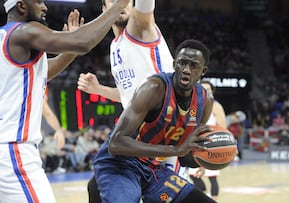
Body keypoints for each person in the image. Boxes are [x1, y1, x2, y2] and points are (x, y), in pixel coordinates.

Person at [0, 0, 130, 202]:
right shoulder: (25, 31)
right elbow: (84, 42)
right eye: (38, 2)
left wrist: (70, 48)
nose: (45, 7)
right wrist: (119, 5)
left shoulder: (6, 38)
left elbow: (44, 71)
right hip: (13, 151)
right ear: (21, 6)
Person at [76, 0, 178, 202]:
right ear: (105, 10)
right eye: (113, 1)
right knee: (96, 186)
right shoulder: (115, 45)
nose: (120, 4)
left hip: (162, 134)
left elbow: (146, 6)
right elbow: (128, 96)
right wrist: (98, 90)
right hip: (137, 137)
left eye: (124, 0)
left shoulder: (141, 29)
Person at [94, 39, 218, 203]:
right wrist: (176, 150)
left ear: (203, 71)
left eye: (194, 66)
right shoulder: (154, 88)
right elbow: (115, 144)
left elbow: (185, 156)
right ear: (174, 65)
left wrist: (210, 156)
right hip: (120, 165)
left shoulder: (205, 101)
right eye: (182, 63)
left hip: (153, 170)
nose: (186, 70)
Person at [188, 80, 226, 201]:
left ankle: (214, 200)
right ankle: (204, 197)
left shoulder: (216, 106)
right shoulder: (193, 105)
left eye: (209, 90)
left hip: (211, 145)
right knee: (193, 176)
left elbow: (223, 128)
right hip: (195, 145)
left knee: (212, 177)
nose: (206, 92)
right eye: (203, 89)